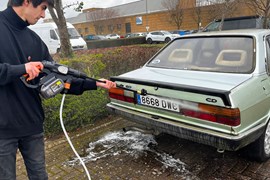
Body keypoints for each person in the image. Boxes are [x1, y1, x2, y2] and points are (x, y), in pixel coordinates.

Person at [0, 0, 116, 179]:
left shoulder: (34, 40)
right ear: (27, 1)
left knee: (40, 176)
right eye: (43, 8)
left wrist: (92, 83)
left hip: (32, 125)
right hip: (3, 130)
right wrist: (21, 69)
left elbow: (57, 78)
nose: (43, 15)